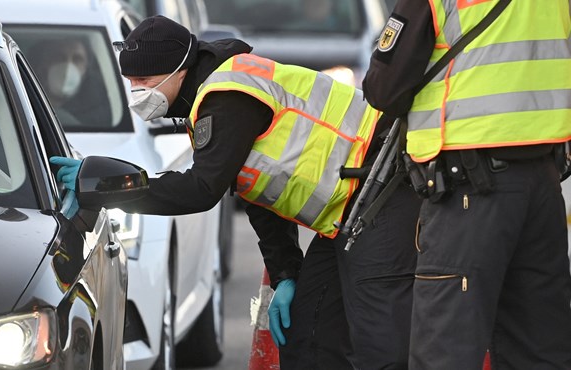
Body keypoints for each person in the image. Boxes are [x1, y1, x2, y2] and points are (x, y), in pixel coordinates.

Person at [51, 15, 419, 369]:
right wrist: (286, 273)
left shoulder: (226, 94)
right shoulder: (212, 97)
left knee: (380, 348)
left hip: (384, 192)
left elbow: (201, 189)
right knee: (308, 337)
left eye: (144, 80)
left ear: (179, 69)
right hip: (351, 212)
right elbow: (260, 192)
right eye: (131, 82)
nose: (138, 93)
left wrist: (110, 187)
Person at [363, 1, 571, 368]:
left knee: (445, 348)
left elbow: (384, 90)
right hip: (543, 181)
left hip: (470, 191)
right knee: (539, 347)